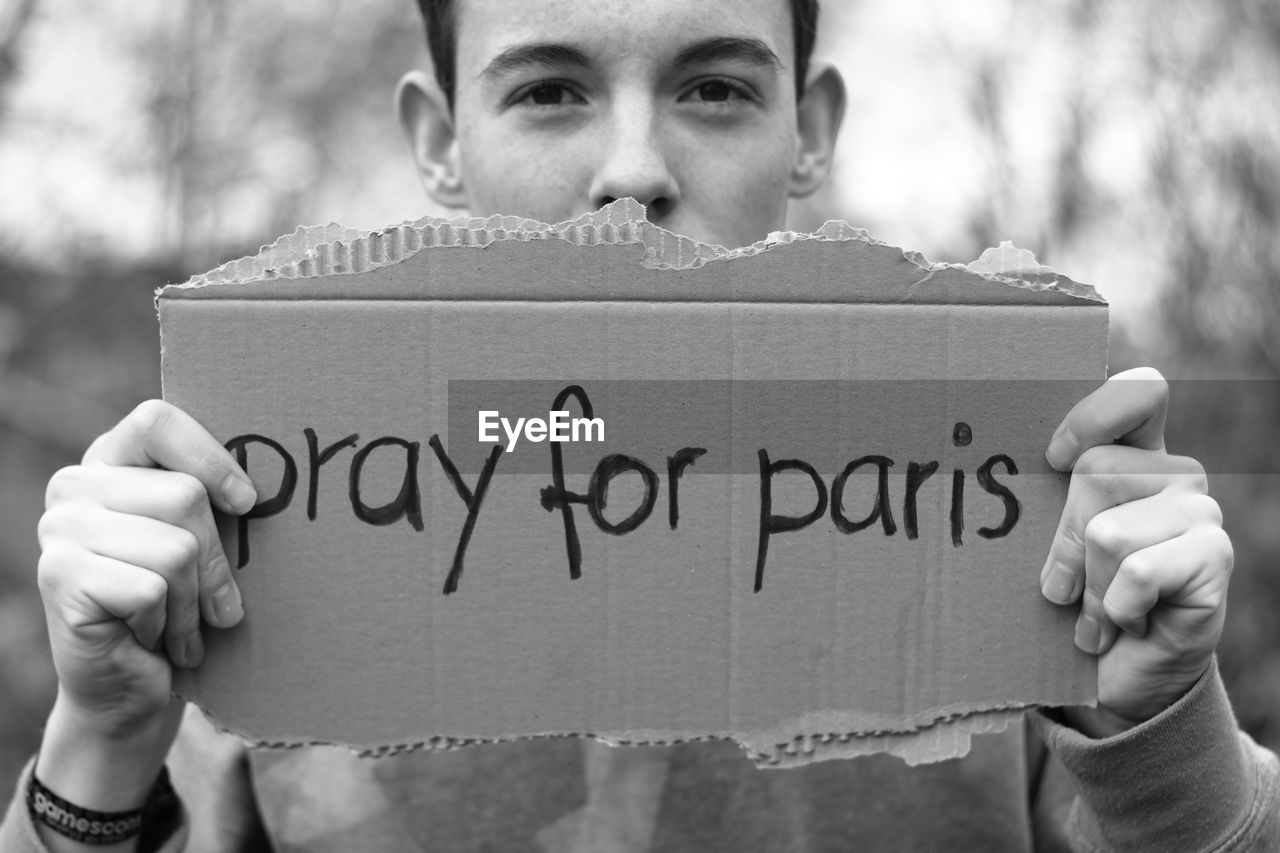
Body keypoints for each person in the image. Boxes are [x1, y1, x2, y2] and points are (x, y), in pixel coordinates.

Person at [4, 0, 1278, 849]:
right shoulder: (270, 537)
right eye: (551, 91)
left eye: (714, 88)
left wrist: (1163, 721)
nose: (634, 168)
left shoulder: (999, 520)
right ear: (440, 141)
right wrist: (102, 742)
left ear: (808, 130)